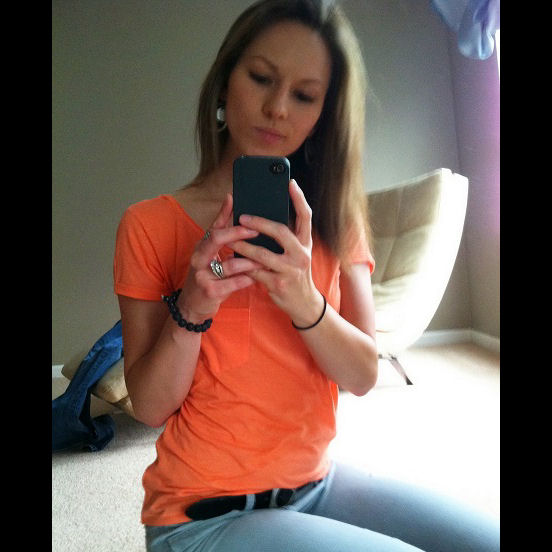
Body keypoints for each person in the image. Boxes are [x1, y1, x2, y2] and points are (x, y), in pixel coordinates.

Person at [113, 1, 500, 550]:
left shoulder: (336, 221)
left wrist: (305, 301)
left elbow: (362, 375)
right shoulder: (149, 225)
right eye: (261, 78)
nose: (277, 108)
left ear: (324, 113)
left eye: (304, 95)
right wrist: (192, 307)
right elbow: (151, 408)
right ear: (225, 82)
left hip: (316, 485)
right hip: (201, 517)